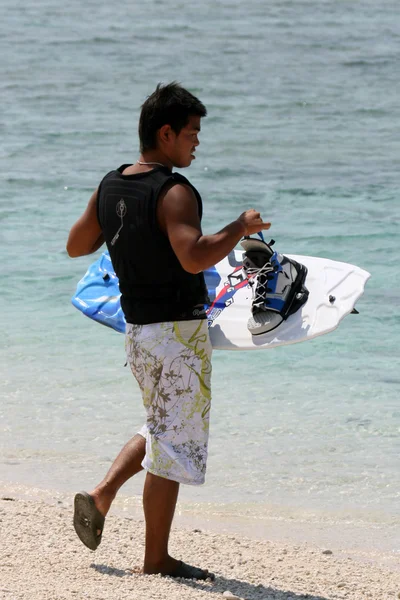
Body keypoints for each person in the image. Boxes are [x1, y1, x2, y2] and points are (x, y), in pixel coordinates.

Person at [66, 82, 271, 580]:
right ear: (166, 133)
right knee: (176, 444)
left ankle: (102, 494)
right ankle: (156, 560)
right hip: (178, 335)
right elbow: (194, 255)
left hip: (138, 333)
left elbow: (77, 246)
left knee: (163, 426)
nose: (196, 142)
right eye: (192, 133)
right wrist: (240, 227)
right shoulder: (175, 191)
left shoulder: (112, 183)